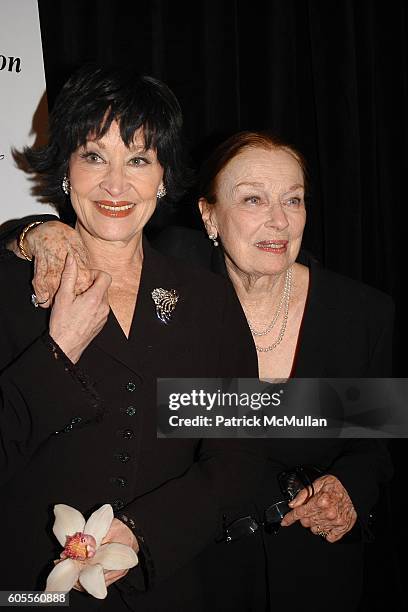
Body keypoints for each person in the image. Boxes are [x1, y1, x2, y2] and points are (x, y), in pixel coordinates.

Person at [5, 130, 394, 611]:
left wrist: (351, 486)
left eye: (293, 200)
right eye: (253, 199)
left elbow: (378, 443)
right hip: (196, 565)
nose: (278, 220)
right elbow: (95, 228)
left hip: (312, 565)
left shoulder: (360, 314)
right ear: (209, 216)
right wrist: (39, 231)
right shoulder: (175, 274)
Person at [0, 67, 273, 611]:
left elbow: (242, 455)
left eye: (140, 159)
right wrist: (57, 355)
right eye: (95, 156)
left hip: (165, 586)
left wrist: (142, 533)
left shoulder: (206, 300)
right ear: (65, 171)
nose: (117, 186)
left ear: (165, 177)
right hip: (30, 592)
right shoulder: (9, 287)